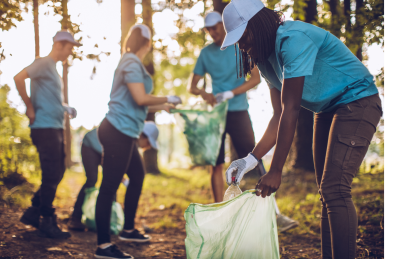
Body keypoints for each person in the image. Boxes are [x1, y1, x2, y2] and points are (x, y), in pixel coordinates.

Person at [220, 1, 382, 258]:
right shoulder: (264, 58)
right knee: (327, 193)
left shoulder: (293, 39)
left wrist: (275, 171)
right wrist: (250, 159)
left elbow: (291, 109)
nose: (241, 45)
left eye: (242, 35)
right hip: (328, 108)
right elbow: (278, 116)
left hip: (357, 101)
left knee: (335, 190)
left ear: (258, 25)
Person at [188, 11, 298, 232]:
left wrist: (231, 93)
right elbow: (192, 86)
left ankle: (274, 214)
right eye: (208, 29)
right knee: (215, 163)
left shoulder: (240, 45)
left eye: (215, 27)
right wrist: (205, 94)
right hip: (216, 115)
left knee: (254, 158)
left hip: (239, 111)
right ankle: (220, 213)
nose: (212, 32)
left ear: (223, 25)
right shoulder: (205, 53)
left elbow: (255, 78)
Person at [94, 24, 182, 259]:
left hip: (126, 132)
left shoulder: (132, 62)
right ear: (148, 43)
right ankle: (103, 246)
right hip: (117, 131)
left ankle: (128, 230)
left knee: (138, 175)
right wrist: (167, 96)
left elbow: (138, 102)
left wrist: (163, 106)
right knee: (109, 187)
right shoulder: (131, 62)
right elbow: (140, 97)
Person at [15, 31, 81, 239]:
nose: (70, 53)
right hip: (44, 127)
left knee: (59, 170)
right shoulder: (43, 63)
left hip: (55, 125)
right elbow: (18, 78)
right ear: (59, 45)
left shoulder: (53, 69)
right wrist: (29, 106)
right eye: (69, 48)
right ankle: (46, 219)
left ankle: (35, 212)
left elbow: (49, 97)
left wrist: (64, 108)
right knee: (52, 173)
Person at [68, 122, 160, 231]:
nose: (148, 147)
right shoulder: (125, 138)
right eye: (149, 143)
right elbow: (110, 159)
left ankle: (109, 220)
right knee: (92, 179)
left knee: (112, 182)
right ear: (142, 135)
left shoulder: (131, 144)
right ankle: (75, 218)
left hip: (103, 150)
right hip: (90, 146)